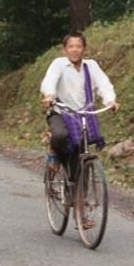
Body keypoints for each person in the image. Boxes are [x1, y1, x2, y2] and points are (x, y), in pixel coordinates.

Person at [39, 31, 119, 173]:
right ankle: (54, 152)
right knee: (60, 135)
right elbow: (50, 81)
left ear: (84, 49)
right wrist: (50, 96)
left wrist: (110, 101)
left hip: (83, 113)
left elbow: (103, 84)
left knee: (82, 148)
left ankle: (79, 192)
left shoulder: (91, 66)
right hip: (60, 111)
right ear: (65, 50)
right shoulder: (59, 64)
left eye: (78, 46)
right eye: (71, 46)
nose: (75, 49)